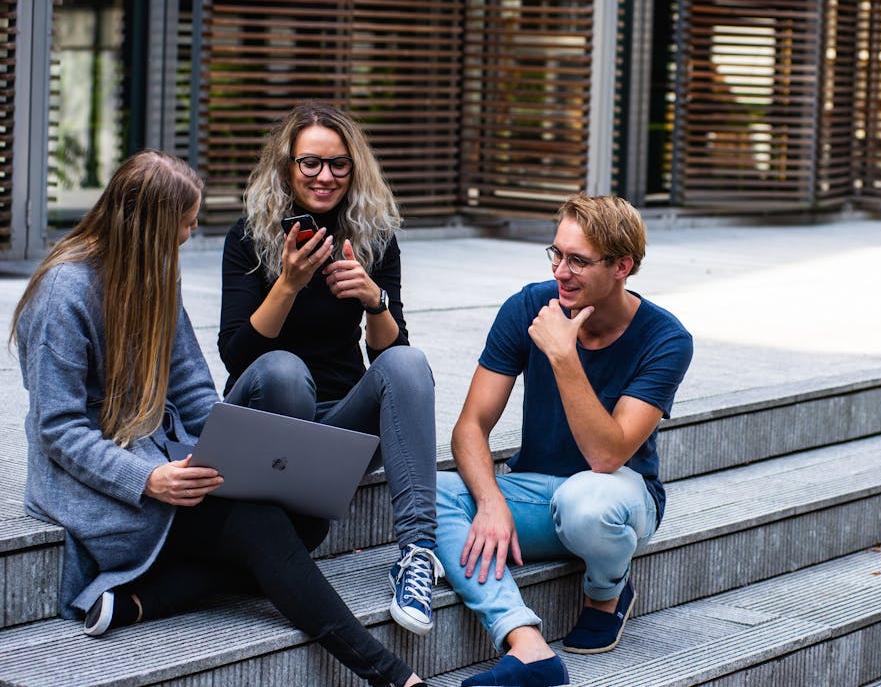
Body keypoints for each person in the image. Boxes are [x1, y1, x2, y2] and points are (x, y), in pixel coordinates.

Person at [12, 150, 428, 687]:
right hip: (101, 484)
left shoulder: (155, 275)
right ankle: (391, 674)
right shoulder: (62, 294)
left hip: (168, 462)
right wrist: (148, 479)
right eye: (183, 225)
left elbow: (192, 390)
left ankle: (145, 598)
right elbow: (59, 429)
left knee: (306, 521)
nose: (187, 237)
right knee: (262, 527)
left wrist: (232, 451)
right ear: (149, 224)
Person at [435, 194, 694, 686]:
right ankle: (525, 644)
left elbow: (607, 454)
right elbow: (470, 426)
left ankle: (606, 591)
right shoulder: (528, 306)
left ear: (623, 266)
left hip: (617, 496)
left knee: (586, 501)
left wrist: (563, 356)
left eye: (578, 260)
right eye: (556, 254)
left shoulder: (666, 339)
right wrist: (490, 502)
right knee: (431, 493)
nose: (561, 271)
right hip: (534, 491)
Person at [218, 103, 441, 635]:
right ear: (287, 167)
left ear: (355, 168)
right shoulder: (248, 237)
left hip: (338, 427)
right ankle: (280, 535)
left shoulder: (374, 236)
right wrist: (288, 283)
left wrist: (375, 300)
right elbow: (237, 355)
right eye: (311, 163)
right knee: (284, 371)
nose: (325, 176)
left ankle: (417, 556)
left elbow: (391, 360)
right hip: (267, 417)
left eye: (339, 165)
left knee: (409, 363)